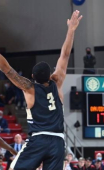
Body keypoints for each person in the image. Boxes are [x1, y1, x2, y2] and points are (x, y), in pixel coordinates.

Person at [0, 10, 82, 170]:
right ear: (50, 76)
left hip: (38, 140)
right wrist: (71, 30)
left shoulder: (29, 88)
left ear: (32, 76)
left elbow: (6, 69)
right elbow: (65, 55)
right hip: (58, 141)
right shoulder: (57, 82)